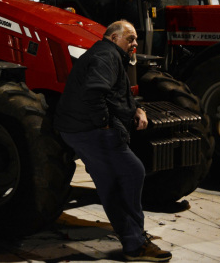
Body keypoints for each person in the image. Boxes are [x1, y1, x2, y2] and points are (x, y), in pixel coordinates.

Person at [55, 20, 172, 262]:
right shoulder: (106, 56)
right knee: (132, 172)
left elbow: (116, 93)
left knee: (112, 184)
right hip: (89, 130)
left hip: (79, 129)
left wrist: (137, 109)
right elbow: (94, 91)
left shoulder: (109, 54)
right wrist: (105, 125)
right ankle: (135, 242)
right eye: (130, 38)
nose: (135, 43)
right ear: (113, 37)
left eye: (135, 39)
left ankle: (133, 242)